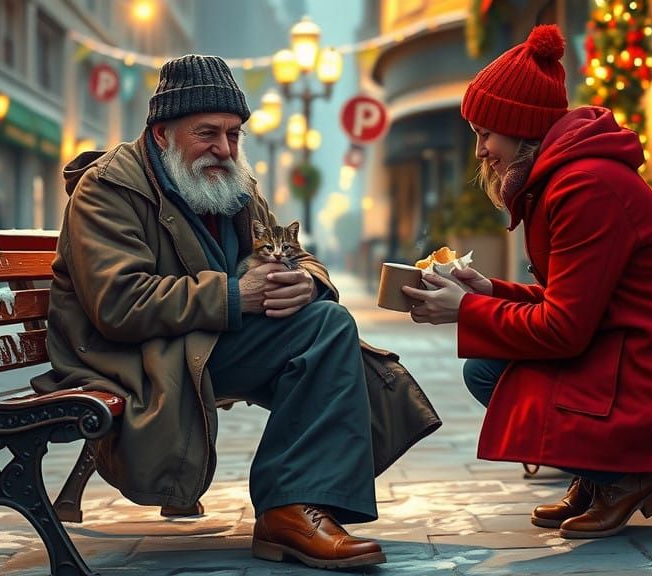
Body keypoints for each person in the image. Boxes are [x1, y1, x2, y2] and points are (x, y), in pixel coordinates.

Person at [403, 25, 652, 539]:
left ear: (520, 126)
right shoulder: (564, 178)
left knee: (490, 371)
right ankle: (597, 477)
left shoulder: (584, 187)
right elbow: (572, 301)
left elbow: (564, 329)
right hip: (623, 350)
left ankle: (619, 479)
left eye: (486, 134)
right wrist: (488, 293)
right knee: (489, 362)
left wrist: (464, 310)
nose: (480, 151)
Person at [31, 55, 386, 570]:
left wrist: (305, 284)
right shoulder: (108, 188)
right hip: (132, 359)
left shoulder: (230, 184)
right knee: (325, 334)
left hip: (195, 343)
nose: (223, 148)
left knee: (323, 320)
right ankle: (291, 507)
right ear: (161, 134)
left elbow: (296, 252)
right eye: (207, 133)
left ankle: (296, 505)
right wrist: (239, 296)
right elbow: (119, 304)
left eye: (234, 134)